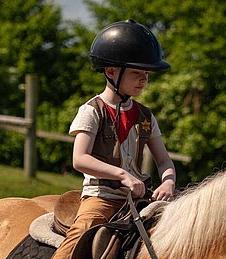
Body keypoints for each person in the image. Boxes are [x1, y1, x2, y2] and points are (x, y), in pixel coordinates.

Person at [52, 19, 176, 258]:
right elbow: (79, 159)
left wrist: (168, 182)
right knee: (80, 236)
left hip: (141, 200)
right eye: (136, 73)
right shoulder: (92, 110)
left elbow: (164, 161)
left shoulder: (145, 115)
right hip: (102, 198)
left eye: (146, 74)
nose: (144, 80)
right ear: (111, 72)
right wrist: (123, 175)